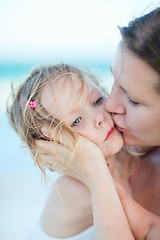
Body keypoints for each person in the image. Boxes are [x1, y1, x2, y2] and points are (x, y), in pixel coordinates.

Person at [35, 6, 160, 240]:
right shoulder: (130, 155)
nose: (109, 106)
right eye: (113, 82)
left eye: (132, 99)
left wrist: (96, 175)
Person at [7, 63, 136, 239]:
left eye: (97, 101)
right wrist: (97, 176)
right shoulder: (73, 192)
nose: (100, 117)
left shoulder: (126, 156)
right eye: (76, 121)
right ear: (55, 145)